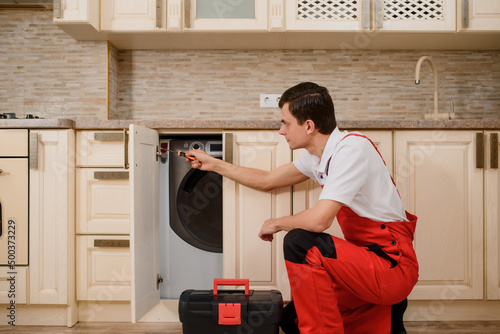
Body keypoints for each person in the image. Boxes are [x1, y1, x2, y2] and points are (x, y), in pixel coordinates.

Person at [185, 82, 419, 334]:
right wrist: (214, 165)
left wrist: (277, 223)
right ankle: (389, 317)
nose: (280, 130)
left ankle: (378, 310)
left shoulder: (352, 150)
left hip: (390, 266)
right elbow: (267, 180)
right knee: (290, 319)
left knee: (299, 241)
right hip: (364, 266)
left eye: (285, 123)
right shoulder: (319, 157)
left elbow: (319, 221)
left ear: (308, 126)